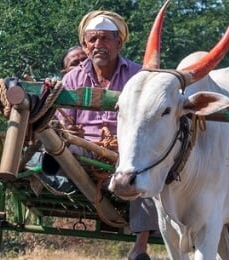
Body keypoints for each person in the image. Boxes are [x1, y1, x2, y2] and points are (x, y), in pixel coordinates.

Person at [56, 10, 159, 260]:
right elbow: (62, 120)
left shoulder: (140, 76)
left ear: (119, 43)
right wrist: (68, 131)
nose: (98, 45)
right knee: (59, 150)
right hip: (82, 150)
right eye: (92, 40)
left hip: (126, 152)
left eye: (105, 39)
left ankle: (140, 247)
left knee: (146, 171)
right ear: (84, 45)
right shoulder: (72, 78)